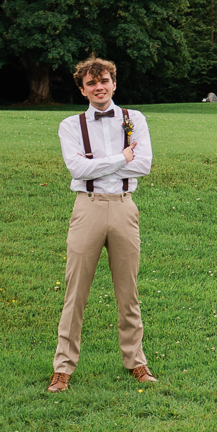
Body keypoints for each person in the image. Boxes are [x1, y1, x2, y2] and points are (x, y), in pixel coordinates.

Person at [48, 57, 157, 392]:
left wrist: (101, 163)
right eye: (92, 83)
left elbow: (144, 165)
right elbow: (78, 170)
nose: (99, 87)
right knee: (75, 292)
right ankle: (63, 368)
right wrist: (122, 158)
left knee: (129, 291)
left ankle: (137, 362)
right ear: (83, 90)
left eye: (104, 80)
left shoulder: (133, 119)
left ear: (114, 83)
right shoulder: (71, 125)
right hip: (88, 208)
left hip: (125, 209)